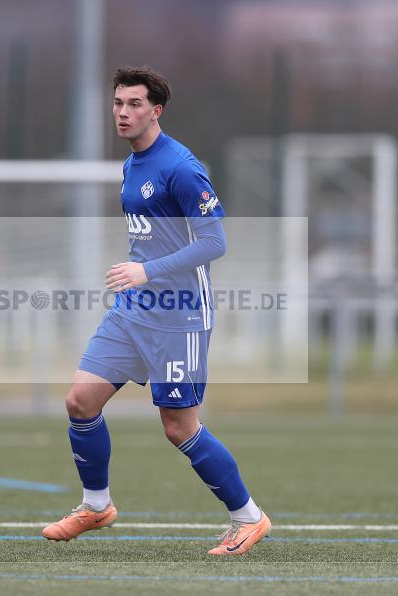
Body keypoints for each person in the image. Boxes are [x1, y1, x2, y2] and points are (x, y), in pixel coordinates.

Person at [42, 66, 270, 556]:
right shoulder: (130, 165)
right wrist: (139, 278)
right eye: (118, 104)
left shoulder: (182, 168)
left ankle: (248, 517)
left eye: (134, 104)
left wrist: (148, 272)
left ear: (156, 109)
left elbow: (214, 243)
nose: (123, 113)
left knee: (178, 428)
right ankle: (96, 505)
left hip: (180, 315)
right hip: (133, 311)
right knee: (80, 401)